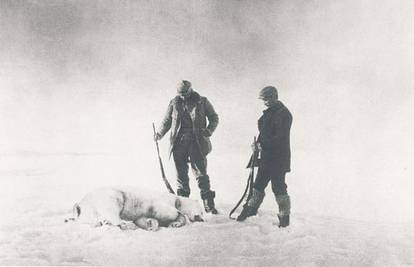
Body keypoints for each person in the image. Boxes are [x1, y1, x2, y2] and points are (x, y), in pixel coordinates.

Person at [154, 80, 219, 214]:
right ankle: (183, 203)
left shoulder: (202, 101)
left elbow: (214, 117)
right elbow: (167, 121)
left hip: (197, 142)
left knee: (201, 172)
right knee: (180, 174)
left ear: (190, 90)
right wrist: (159, 133)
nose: (182, 95)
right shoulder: (174, 102)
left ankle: (208, 203)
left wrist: (209, 130)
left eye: (185, 92)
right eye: (180, 93)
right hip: (178, 143)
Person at [237, 86, 292, 227]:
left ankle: (284, 219)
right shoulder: (267, 114)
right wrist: (256, 146)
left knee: (279, 188)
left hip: (279, 158)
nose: (265, 102)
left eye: (267, 98)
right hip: (266, 157)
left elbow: (280, 138)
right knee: (258, 185)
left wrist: (263, 145)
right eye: (264, 99)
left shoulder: (284, 114)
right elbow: (264, 135)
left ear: (275, 96)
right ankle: (250, 211)